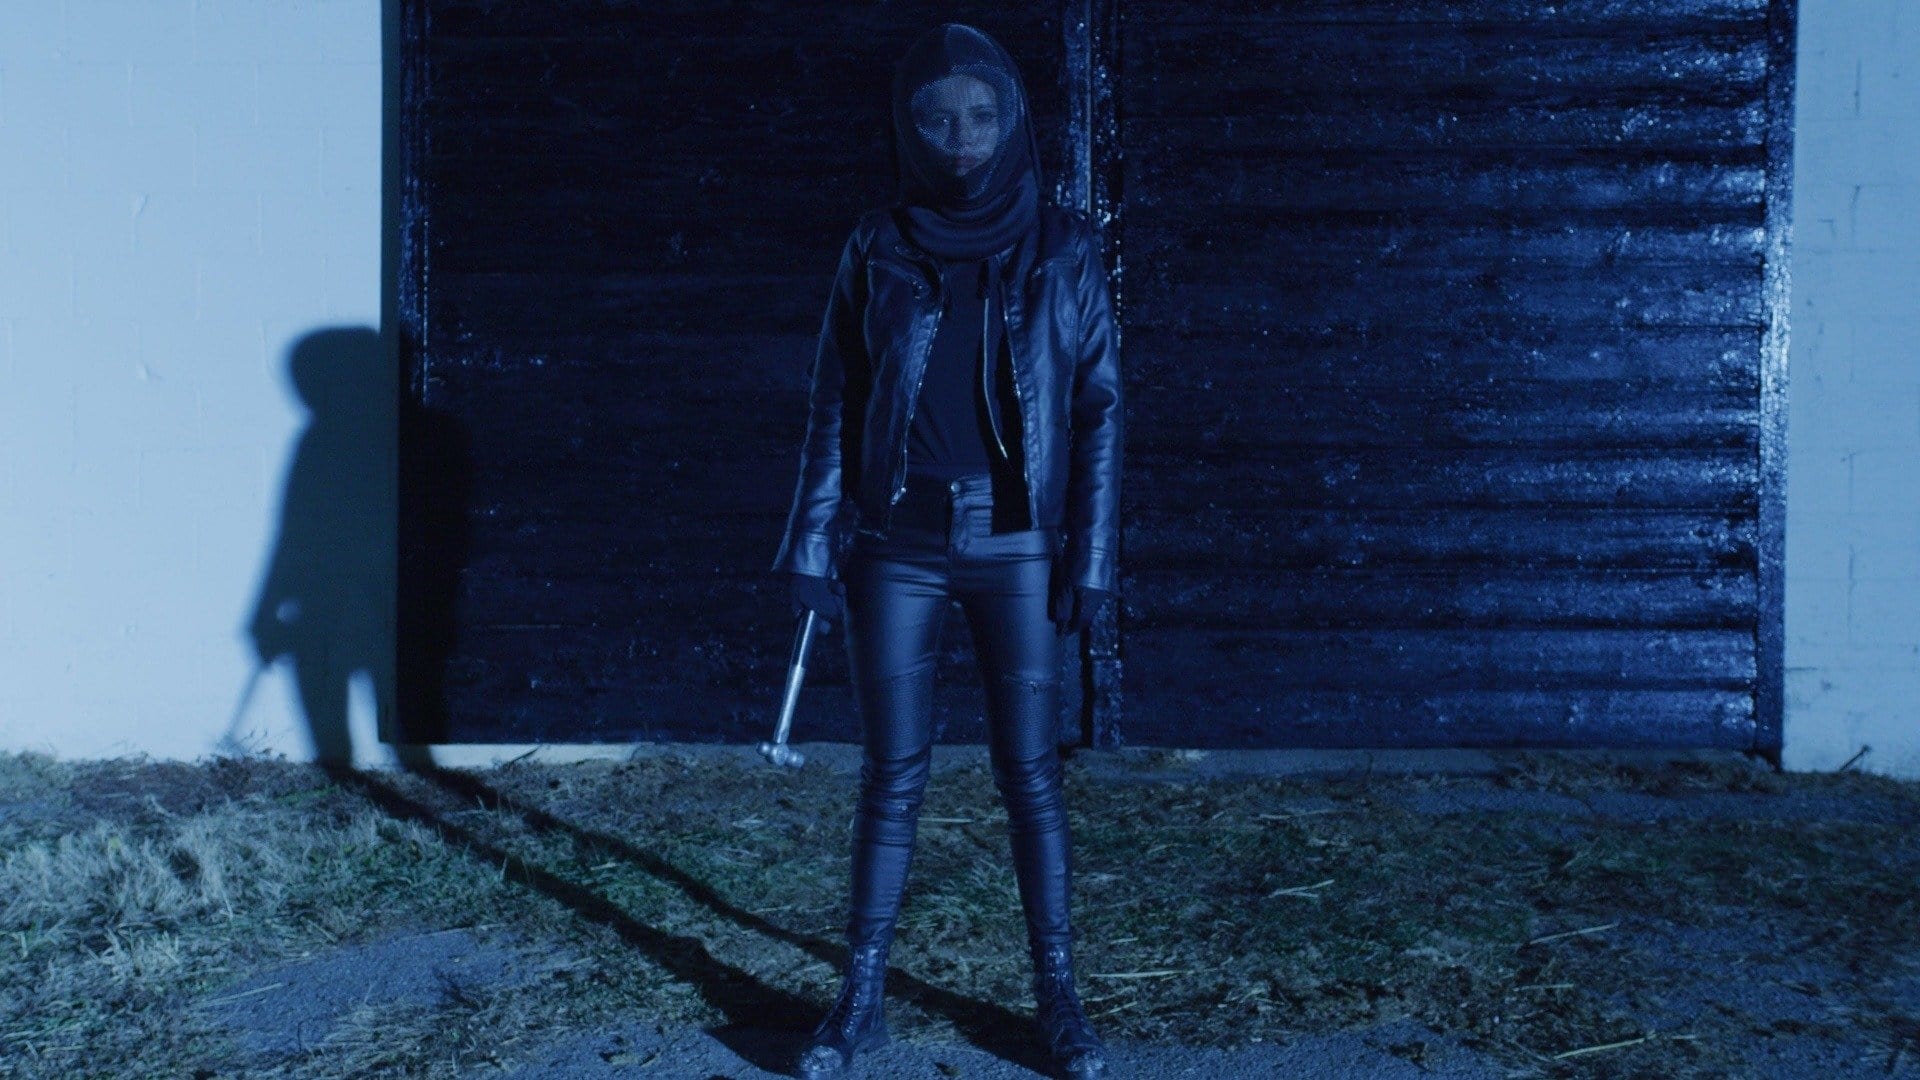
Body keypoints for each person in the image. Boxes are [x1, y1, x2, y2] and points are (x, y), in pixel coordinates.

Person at [769, 22, 1121, 1080]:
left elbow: (1100, 408)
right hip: (897, 547)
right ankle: (860, 999)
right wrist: (811, 538)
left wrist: (1091, 560)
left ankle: (1059, 999)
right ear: (907, 128)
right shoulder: (878, 242)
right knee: (891, 775)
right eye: (936, 119)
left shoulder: (1062, 245)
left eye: (981, 116)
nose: (961, 138)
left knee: (1032, 777)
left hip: (1020, 547)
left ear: (1011, 122)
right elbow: (838, 396)